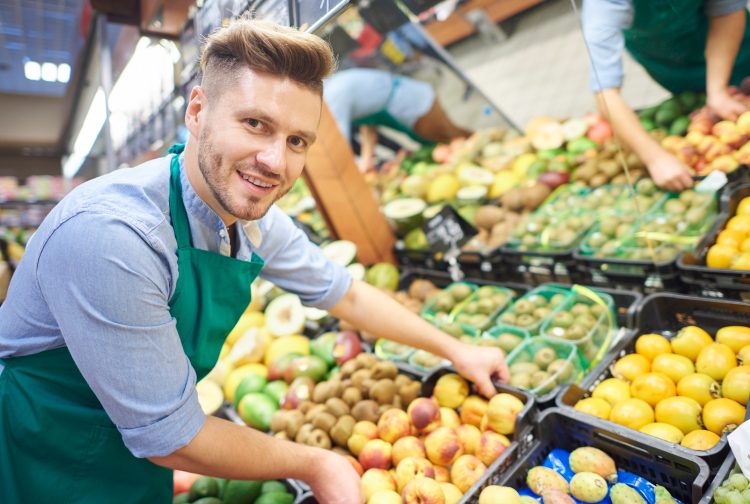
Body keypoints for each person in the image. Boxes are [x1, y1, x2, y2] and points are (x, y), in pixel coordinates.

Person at [0, 19, 508, 504]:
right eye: (254, 124)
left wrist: (456, 349)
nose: (275, 162)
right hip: (41, 455)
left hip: (131, 452)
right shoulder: (114, 237)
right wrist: (316, 463)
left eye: (296, 141)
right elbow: (170, 439)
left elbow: (344, 292)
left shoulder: (249, 218)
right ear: (197, 111)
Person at [582, 0, 750, 191]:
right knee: (694, 102)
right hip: (671, 62)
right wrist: (655, 158)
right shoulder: (603, 5)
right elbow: (605, 92)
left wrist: (717, 90)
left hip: (734, 47)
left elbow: (726, 10)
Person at [323, 67, 472, 172]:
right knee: (448, 148)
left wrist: (360, 166)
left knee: (458, 142)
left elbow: (340, 148)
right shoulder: (333, 89)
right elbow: (368, 126)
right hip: (411, 105)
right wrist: (366, 160)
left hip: (416, 105)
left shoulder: (333, 98)